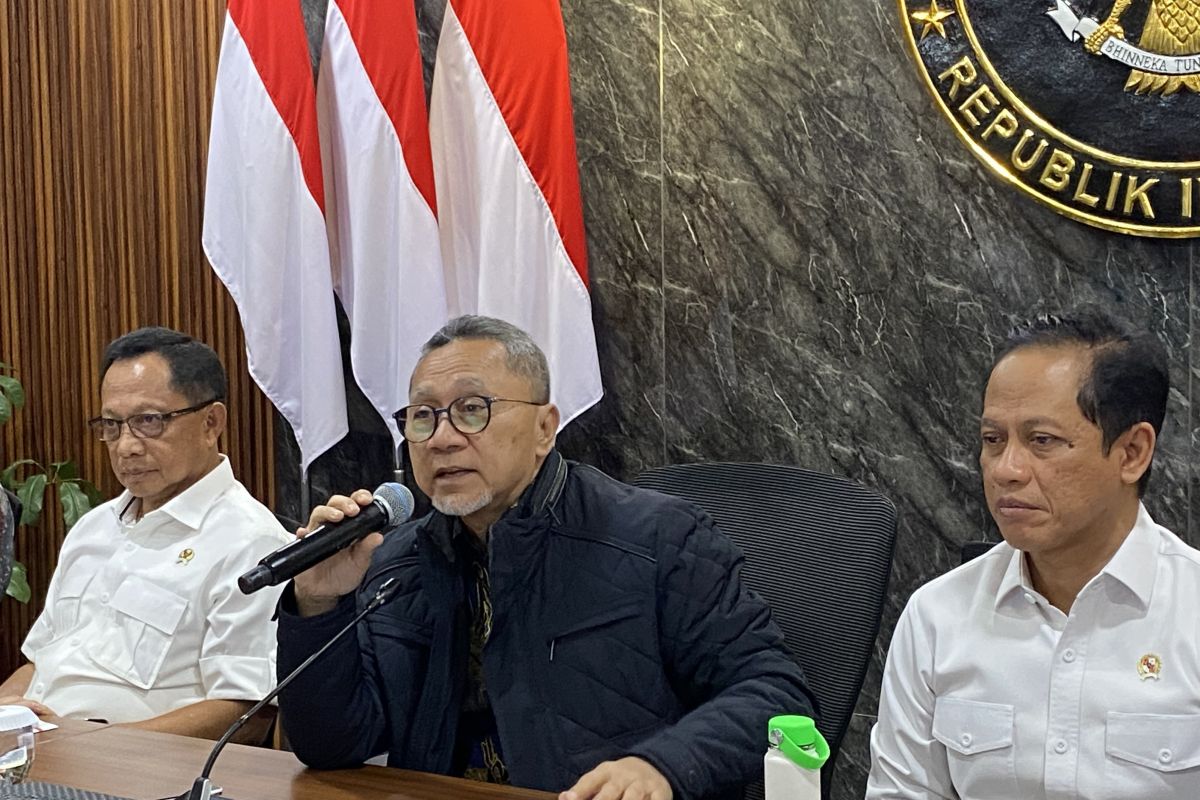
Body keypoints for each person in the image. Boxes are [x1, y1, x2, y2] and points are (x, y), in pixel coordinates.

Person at [276, 315, 816, 800]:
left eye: (471, 410)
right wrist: (320, 604)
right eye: (423, 416)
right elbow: (334, 745)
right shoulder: (396, 559)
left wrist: (663, 768)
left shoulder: (657, 538)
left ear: (544, 428)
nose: (441, 438)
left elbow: (775, 695)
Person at [867, 307, 1200, 799]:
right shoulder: (938, 617)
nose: (1006, 470)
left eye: (1041, 441)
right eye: (992, 440)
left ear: (1131, 453)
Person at [0, 327, 291, 741]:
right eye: (112, 425)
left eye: (148, 422)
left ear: (212, 423)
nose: (126, 446)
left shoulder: (251, 543)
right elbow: (41, 664)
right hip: (43, 754)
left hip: (133, 771)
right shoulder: (93, 527)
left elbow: (247, 713)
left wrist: (90, 747)